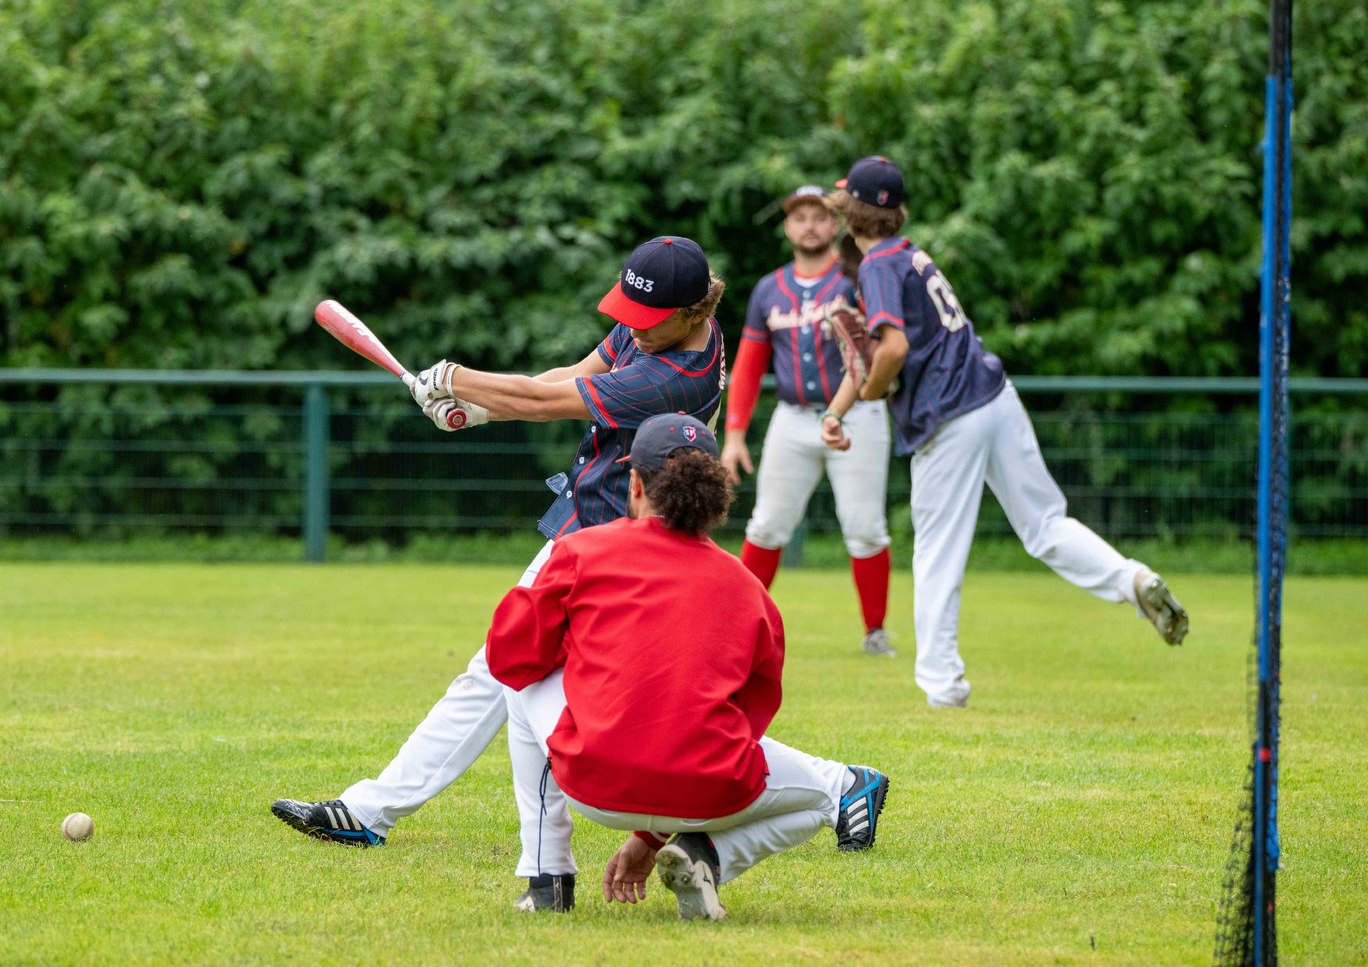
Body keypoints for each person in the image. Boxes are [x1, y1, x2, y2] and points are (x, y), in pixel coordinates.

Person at [272, 236, 728, 850]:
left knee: (561, 684)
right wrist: (479, 410)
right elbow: (567, 378)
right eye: (628, 313)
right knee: (498, 672)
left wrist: (455, 377)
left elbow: (544, 403)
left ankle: (814, 795)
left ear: (694, 312)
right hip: (595, 530)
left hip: (617, 546)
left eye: (646, 320)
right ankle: (372, 809)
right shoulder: (662, 328)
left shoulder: (672, 376)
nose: (631, 329)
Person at [818, 156, 1190, 709]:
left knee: (937, 554)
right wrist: (837, 410)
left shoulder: (875, 268)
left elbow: (889, 350)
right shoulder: (910, 254)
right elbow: (875, 351)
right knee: (1044, 524)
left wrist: (869, 394)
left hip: (948, 416)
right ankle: (1131, 579)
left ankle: (943, 688)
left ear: (852, 211)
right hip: (994, 395)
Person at [488, 414, 890, 918]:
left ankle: (548, 880)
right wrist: (655, 831)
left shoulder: (582, 551)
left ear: (634, 483)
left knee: (521, 680)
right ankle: (709, 854)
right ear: (712, 490)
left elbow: (507, 655)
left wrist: (577, 656)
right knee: (823, 800)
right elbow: (749, 717)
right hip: (713, 792)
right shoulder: (750, 588)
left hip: (595, 786)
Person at [722, 184, 895, 656]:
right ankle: (742, 624)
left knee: (864, 527)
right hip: (793, 418)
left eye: (819, 215)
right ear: (786, 226)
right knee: (767, 525)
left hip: (858, 414)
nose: (810, 224)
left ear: (835, 222)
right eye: (799, 216)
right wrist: (734, 434)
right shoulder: (768, 289)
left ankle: (875, 632)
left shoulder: (856, 277)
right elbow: (749, 366)